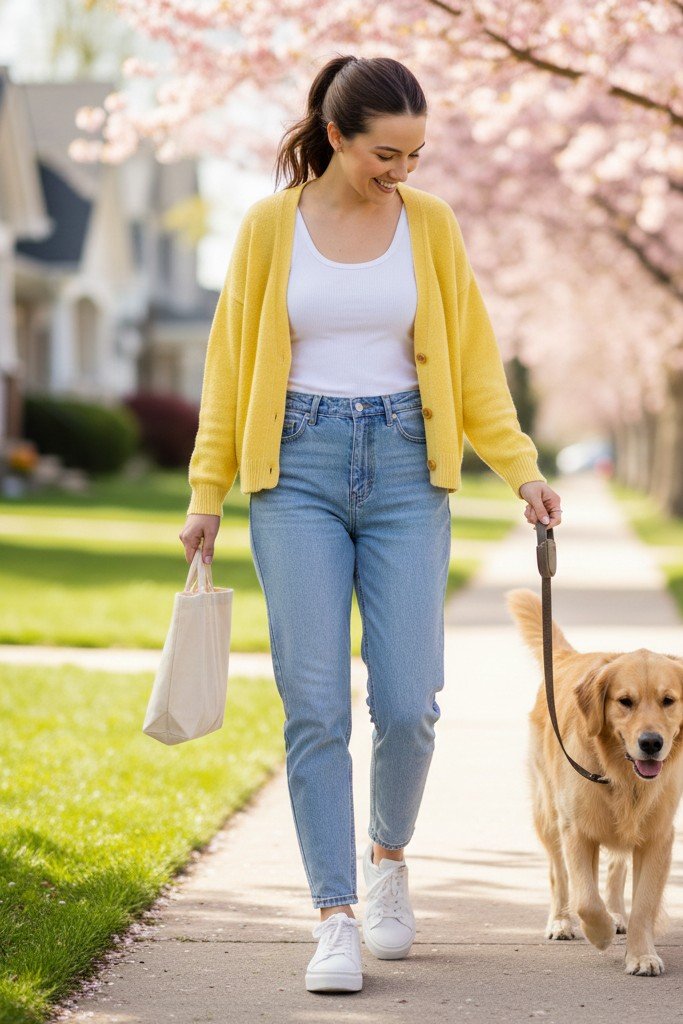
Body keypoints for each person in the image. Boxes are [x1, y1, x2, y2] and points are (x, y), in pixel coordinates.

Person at [179, 53, 563, 995]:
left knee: (406, 702)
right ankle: (334, 914)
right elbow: (230, 367)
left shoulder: (428, 226)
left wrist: (521, 470)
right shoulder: (271, 228)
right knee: (313, 705)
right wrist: (205, 492)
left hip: (403, 473)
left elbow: (471, 360)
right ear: (336, 136)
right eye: (385, 152)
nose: (402, 170)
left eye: (415, 153)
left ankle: (389, 857)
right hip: (296, 470)